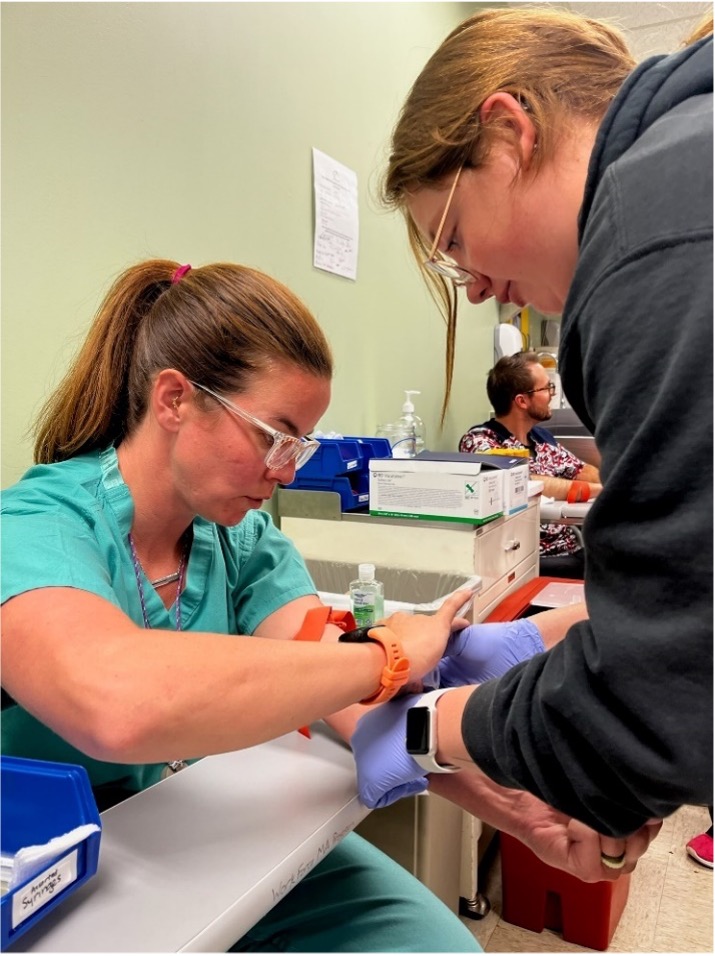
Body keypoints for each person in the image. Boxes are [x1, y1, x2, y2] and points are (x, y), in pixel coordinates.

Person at [0, 258, 482, 953]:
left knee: (434, 945)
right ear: (173, 400)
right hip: (52, 869)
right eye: (273, 436)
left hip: (197, 832)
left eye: (301, 444)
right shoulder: (37, 525)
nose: (287, 470)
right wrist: (388, 654)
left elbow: (321, 668)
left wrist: (498, 788)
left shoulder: (239, 539)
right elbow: (119, 704)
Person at [352, 7, 713, 850]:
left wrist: (429, 725)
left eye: (451, 239)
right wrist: (547, 641)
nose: (473, 288)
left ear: (508, 131)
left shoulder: (655, 236)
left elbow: (666, 698)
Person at [459, 351, 602, 578]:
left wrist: (606, 480)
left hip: (570, 549)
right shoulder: (481, 440)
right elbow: (523, 481)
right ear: (522, 401)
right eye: (546, 389)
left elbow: (583, 471)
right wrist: (596, 490)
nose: (551, 395)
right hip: (529, 559)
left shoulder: (541, 437)